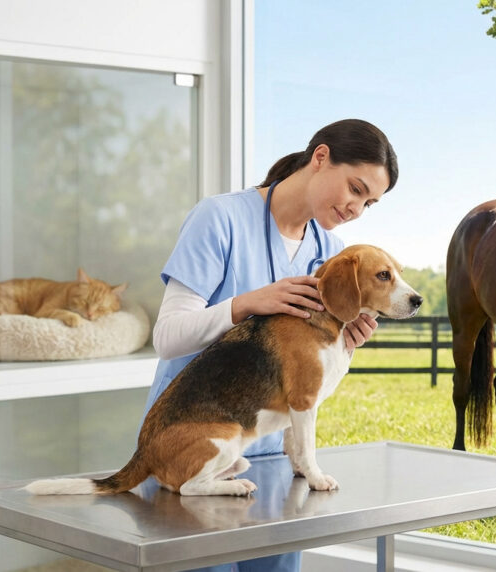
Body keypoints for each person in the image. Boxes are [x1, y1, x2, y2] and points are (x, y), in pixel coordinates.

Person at [140, 118, 398, 571]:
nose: (357, 208)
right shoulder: (219, 219)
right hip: (193, 442)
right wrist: (246, 303)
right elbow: (166, 337)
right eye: (355, 189)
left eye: (370, 203)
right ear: (320, 158)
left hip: (270, 462)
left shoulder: (332, 250)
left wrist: (347, 343)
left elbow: (301, 371)